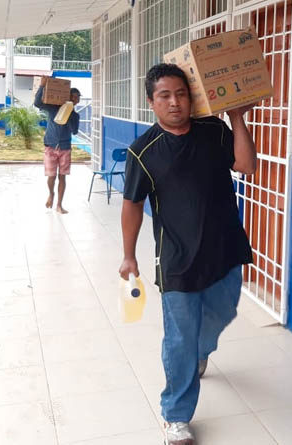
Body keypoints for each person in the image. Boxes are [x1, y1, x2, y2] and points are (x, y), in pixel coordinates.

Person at [119, 64, 256, 445]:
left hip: (225, 248)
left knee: (219, 314)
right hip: (177, 257)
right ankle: (176, 415)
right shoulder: (143, 151)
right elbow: (132, 205)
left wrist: (237, 118)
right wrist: (128, 255)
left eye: (181, 94)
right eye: (165, 96)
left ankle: (200, 351)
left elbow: (246, 165)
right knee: (179, 337)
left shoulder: (213, 131)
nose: (175, 102)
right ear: (152, 102)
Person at [34, 77, 80, 214]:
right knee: (51, 176)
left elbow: (75, 131)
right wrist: (42, 86)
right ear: (68, 96)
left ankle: (59, 205)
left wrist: (69, 115)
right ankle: (51, 193)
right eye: (74, 97)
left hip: (65, 147)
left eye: (78, 98)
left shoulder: (75, 115)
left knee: (62, 176)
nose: (76, 100)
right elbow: (37, 103)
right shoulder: (54, 108)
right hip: (50, 145)